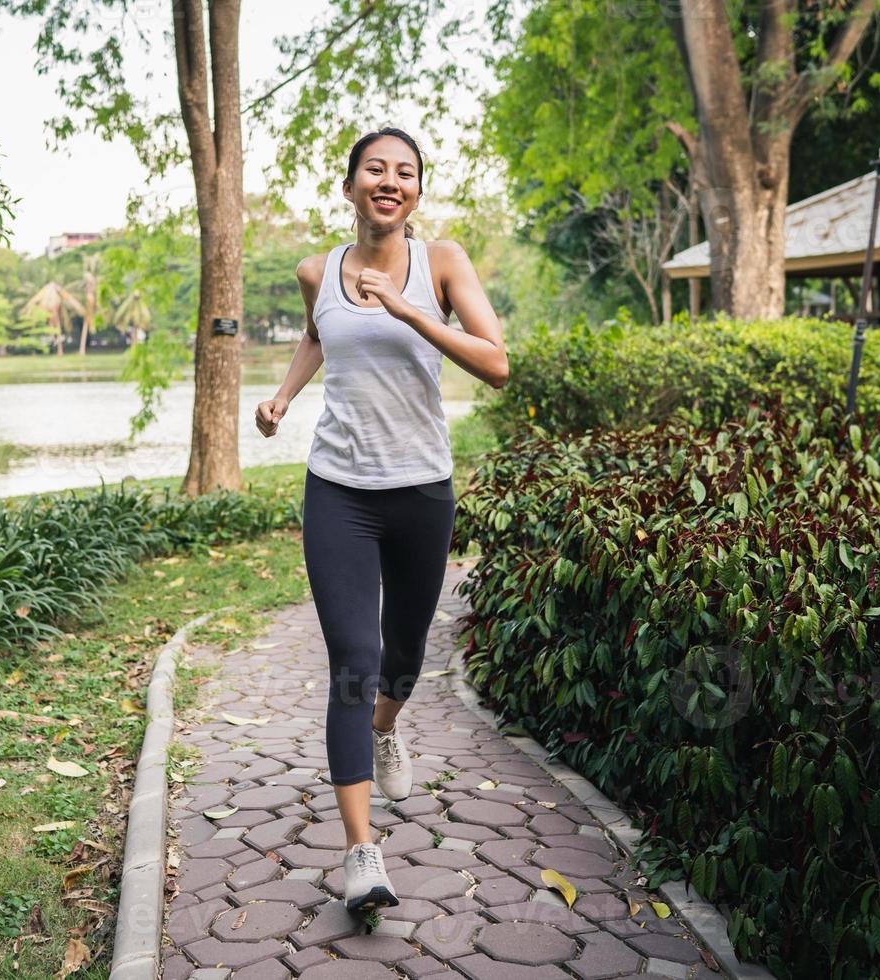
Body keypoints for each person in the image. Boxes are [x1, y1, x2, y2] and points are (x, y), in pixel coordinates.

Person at [254, 127, 510, 912]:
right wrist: (283, 395)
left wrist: (408, 311)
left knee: (403, 653)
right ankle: (362, 852)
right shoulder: (317, 270)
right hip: (339, 489)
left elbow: (496, 363)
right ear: (351, 186)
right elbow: (315, 334)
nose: (389, 181)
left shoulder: (442, 262)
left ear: (416, 193)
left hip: (423, 490)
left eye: (405, 172)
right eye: (376, 169)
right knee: (354, 665)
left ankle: (388, 728)